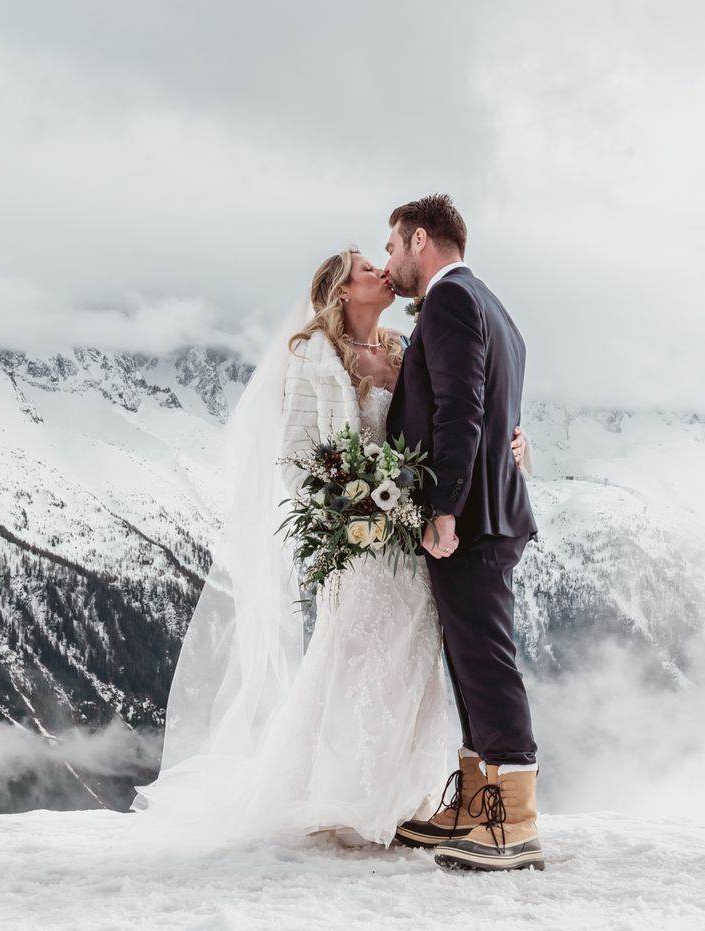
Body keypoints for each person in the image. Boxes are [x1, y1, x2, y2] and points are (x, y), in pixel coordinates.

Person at [133, 239, 532, 860]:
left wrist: (511, 443)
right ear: (343, 289)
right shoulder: (314, 359)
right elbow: (298, 461)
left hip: (415, 541)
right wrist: (355, 501)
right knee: (358, 661)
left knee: (415, 666)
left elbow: (459, 411)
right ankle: (345, 797)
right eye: (368, 267)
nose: (383, 269)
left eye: (384, 257)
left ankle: (408, 797)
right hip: (363, 545)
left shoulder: (403, 348)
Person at [385, 193, 543, 872]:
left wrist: (443, 505)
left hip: (472, 515)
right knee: (470, 656)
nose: (390, 259)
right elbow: (493, 405)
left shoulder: (448, 299)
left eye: (393, 244)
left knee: (485, 658)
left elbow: (461, 408)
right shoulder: (491, 304)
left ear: (420, 239)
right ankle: (481, 801)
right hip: (491, 508)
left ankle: (515, 820)